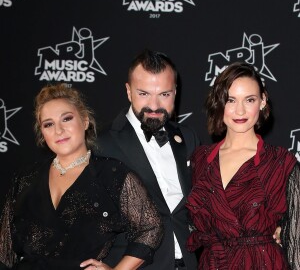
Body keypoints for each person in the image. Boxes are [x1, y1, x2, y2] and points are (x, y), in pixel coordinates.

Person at [0, 83, 163, 270]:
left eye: (66, 119)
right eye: (48, 124)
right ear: (42, 132)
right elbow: (5, 250)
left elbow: (151, 227)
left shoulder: (112, 174)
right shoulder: (25, 178)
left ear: (85, 121)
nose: (58, 130)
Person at [186, 62, 300, 269]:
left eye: (249, 100)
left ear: (263, 101)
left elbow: (296, 244)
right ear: (219, 103)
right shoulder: (200, 160)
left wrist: (280, 228)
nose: (240, 110)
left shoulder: (280, 162)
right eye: (230, 100)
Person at [97, 49, 199, 270]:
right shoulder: (101, 144)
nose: (154, 106)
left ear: (175, 92)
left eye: (164, 94)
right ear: (128, 91)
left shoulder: (188, 137)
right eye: (144, 94)